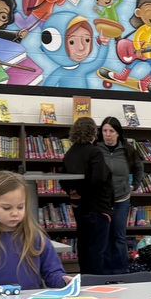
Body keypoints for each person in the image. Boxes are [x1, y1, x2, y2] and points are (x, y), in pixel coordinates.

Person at [62, 117, 113, 275]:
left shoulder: (70, 153)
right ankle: (96, 285)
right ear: (94, 132)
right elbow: (97, 179)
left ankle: (84, 281)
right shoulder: (94, 151)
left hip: (79, 207)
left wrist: (75, 193)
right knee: (97, 250)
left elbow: (63, 180)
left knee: (84, 246)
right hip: (97, 206)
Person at [97, 117, 143, 274]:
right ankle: (105, 272)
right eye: (104, 131)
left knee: (118, 236)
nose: (108, 134)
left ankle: (120, 272)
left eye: (111, 131)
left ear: (118, 133)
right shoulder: (96, 149)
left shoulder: (128, 150)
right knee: (104, 236)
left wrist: (134, 185)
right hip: (101, 200)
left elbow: (139, 167)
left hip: (121, 199)